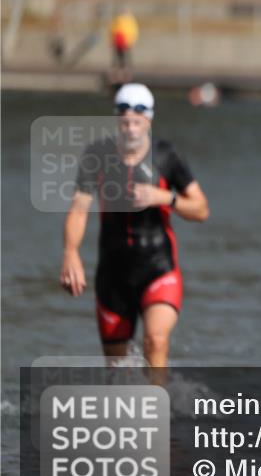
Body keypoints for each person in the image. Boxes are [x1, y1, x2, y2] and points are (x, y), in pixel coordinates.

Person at [60, 83, 209, 374]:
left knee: (155, 339)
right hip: (113, 274)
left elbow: (201, 209)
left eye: (137, 121)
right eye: (124, 121)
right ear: (117, 120)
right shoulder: (98, 155)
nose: (130, 128)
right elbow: (79, 207)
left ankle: (158, 410)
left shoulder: (167, 156)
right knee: (117, 371)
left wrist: (164, 197)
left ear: (149, 120)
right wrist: (70, 253)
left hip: (158, 267)